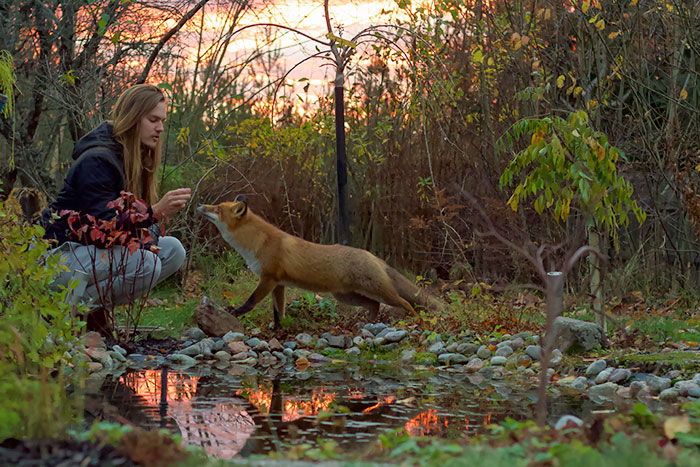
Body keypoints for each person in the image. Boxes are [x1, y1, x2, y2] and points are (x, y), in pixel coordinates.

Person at [39, 84, 191, 333]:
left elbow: (139, 229)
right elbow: (103, 231)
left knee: (173, 251)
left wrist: (148, 226)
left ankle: (88, 314)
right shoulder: (97, 160)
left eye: (162, 121)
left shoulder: (134, 158)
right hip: (55, 260)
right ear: (132, 118)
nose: (160, 128)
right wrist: (154, 213)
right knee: (146, 263)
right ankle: (61, 313)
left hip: (85, 257)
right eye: (153, 120)